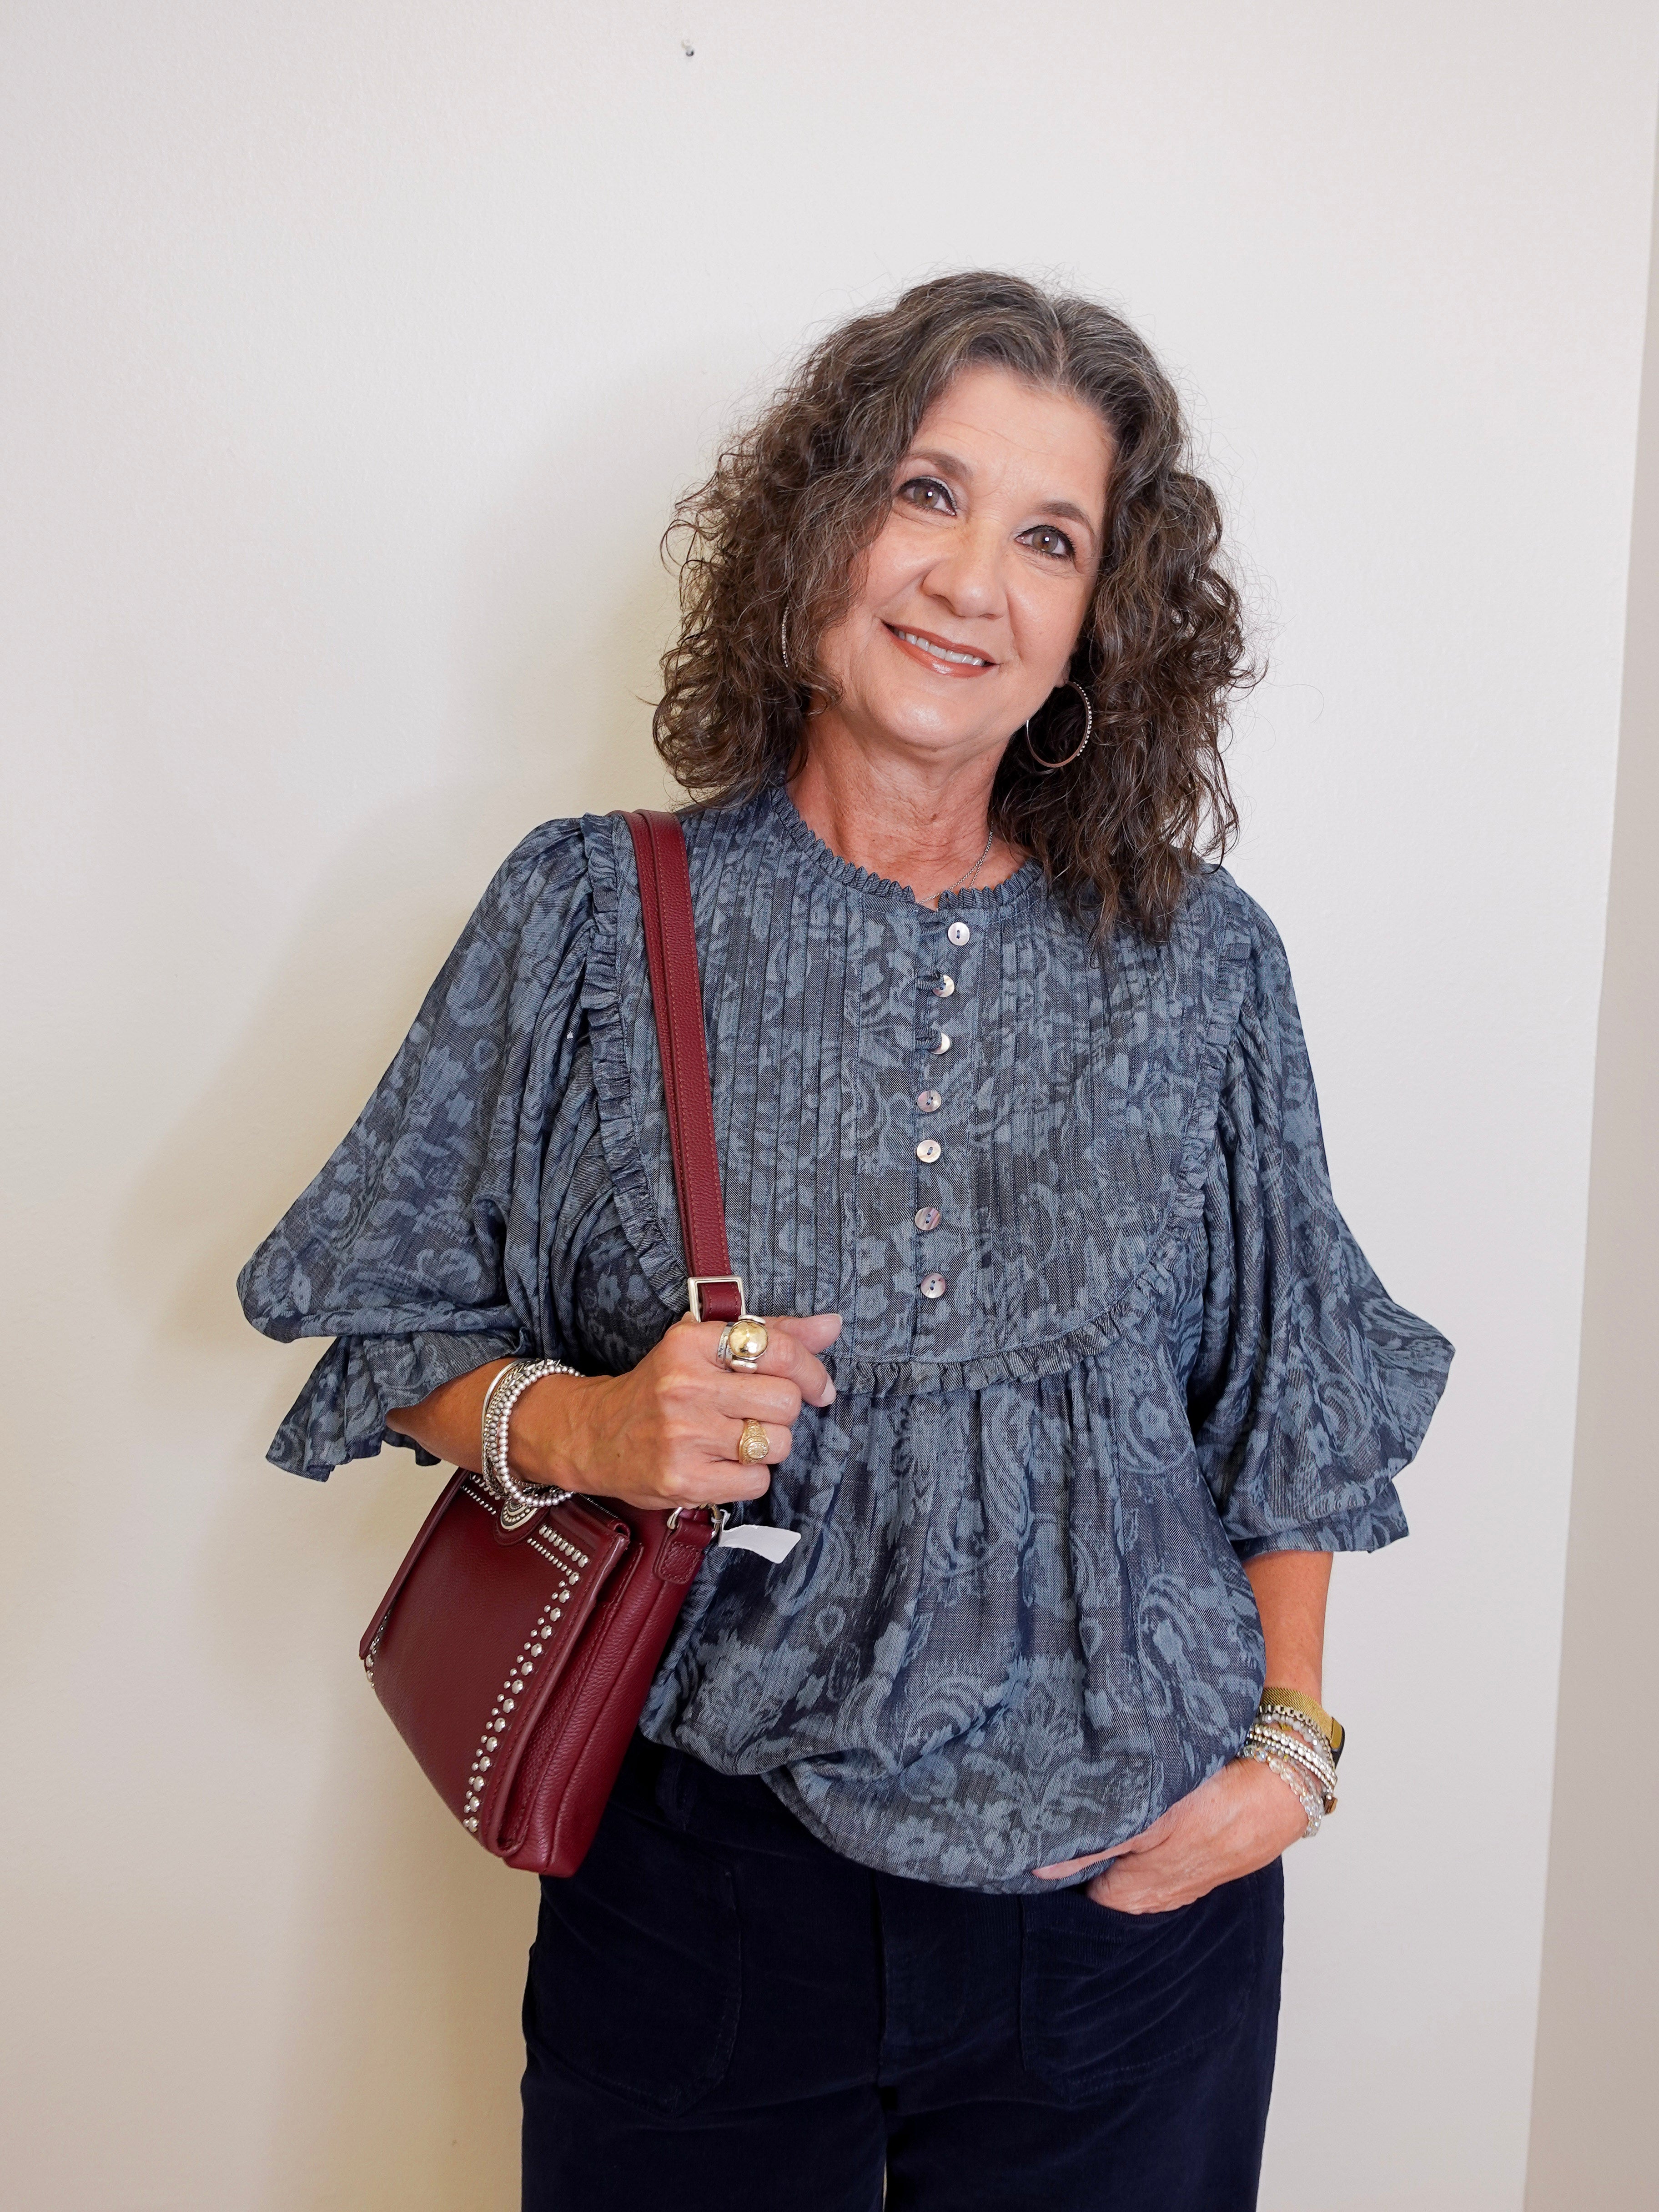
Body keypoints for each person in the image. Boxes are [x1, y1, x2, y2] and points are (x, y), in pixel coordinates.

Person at [239, 271, 1452, 2212]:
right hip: (712, 1908)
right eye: (927, 493)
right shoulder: (590, 916)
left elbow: (1290, 1391)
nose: (974, 578)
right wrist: (587, 1427)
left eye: (1050, 537)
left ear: (1098, 624)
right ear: (821, 526)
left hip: (1130, 1931)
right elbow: (382, 1317)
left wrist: (1287, 1759)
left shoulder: (1201, 962)